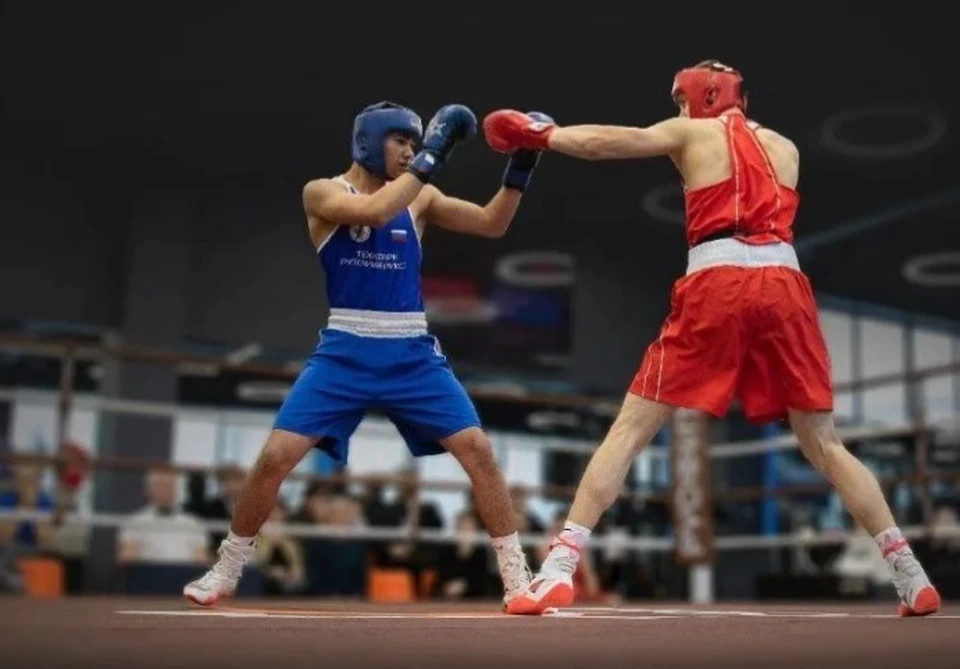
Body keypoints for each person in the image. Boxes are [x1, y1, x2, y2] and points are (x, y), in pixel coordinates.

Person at [483, 60, 942, 617]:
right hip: (786, 286)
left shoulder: (691, 132)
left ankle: (558, 568)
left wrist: (543, 135)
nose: (678, 109)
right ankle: (910, 575)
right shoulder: (786, 148)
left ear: (703, 96)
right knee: (825, 444)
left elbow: (607, 143)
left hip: (717, 280)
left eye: (682, 100)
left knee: (630, 429)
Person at [183, 101, 552, 609]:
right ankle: (226, 569)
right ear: (369, 141)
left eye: (416, 143)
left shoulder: (420, 196)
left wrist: (522, 165)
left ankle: (516, 579)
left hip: (411, 350)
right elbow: (372, 212)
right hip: (345, 348)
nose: (410, 152)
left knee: (479, 451)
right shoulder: (323, 191)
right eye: (401, 141)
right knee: (274, 459)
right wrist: (435, 151)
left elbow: (492, 223)